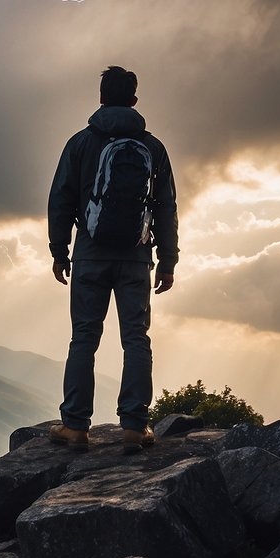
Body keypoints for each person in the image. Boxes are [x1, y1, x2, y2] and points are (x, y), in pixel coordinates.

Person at [46, 66, 178, 453]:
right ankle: (134, 427)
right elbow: (166, 207)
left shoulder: (81, 143)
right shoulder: (153, 148)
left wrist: (59, 251)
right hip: (137, 258)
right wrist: (168, 260)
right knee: (136, 339)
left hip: (89, 256)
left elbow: (61, 199)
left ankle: (75, 426)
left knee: (84, 337)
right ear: (135, 100)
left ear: (101, 98)